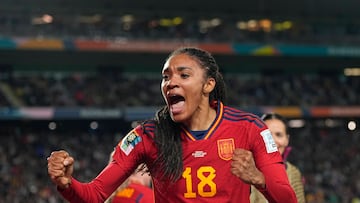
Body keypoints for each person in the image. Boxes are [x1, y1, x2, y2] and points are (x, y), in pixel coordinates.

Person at [47, 47, 297, 203]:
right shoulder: (146, 136)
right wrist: (67, 183)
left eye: (183, 75)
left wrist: (258, 179)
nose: (170, 83)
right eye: (166, 77)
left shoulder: (250, 128)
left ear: (208, 85)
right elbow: (95, 195)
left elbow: (288, 199)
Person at [250, 112, 305, 203]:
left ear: (287, 139)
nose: (273, 141)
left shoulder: (293, 172)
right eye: (268, 135)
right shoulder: (245, 169)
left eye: (279, 135)